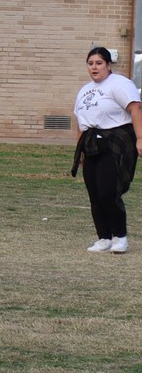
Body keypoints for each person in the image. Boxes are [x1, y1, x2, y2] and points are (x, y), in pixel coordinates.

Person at [71, 46, 142, 254]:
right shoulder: (84, 90)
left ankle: (120, 237)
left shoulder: (119, 84)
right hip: (91, 145)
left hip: (113, 145)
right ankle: (103, 238)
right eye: (91, 63)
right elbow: (81, 124)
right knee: (94, 195)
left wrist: (140, 138)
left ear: (108, 65)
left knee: (108, 193)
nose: (94, 67)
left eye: (99, 63)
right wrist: (81, 151)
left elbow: (135, 108)